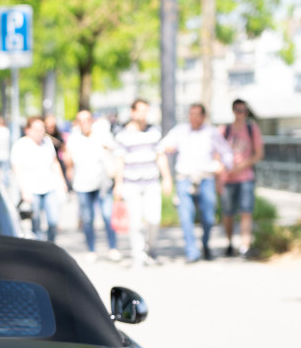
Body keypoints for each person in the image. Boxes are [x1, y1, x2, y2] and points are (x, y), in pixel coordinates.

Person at [159, 103, 233, 263]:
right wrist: (166, 177)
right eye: (191, 114)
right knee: (186, 217)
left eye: (197, 114)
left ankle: (205, 243)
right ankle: (192, 251)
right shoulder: (180, 131)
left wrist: (223, 166)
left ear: (203, 116)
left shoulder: (211, 133)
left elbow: (227, 152)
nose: (193, 117)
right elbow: (161, 148)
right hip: (184, 179)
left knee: (208, 217)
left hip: (205, 178)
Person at [113, 99, 172, 269]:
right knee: (135, 222)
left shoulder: (154, 132)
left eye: (146, 111)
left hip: (151, 182)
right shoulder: (123, 135)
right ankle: (137, 255)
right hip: (131, 183)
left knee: (154, 218)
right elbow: (120, 161)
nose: (144, 115)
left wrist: (167, 178)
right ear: (133, 112)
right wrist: (118, 184)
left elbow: (161, 156)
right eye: (140, 111)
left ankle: (150, 248)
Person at [65, 109, 120, 261]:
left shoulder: (101, 135)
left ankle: (113, 247)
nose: (85, 124)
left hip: (102, 183)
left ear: (92, 121)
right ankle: (91, 249)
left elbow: (114, 150)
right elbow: (69, 162)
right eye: (81, 121)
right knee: (88, 219)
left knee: (107, 216)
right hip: (82, 184)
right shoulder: (73, 138)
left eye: (87, 120)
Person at [220, 99, 264, 258]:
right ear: (233, 111)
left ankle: (245, 247)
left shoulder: (252, 129)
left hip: (246, 177)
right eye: (238, 110)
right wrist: (221, 173)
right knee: (228, 213)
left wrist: (241, 166)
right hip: (227, 178)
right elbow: (216, 153)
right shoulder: (224, 130)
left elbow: (259, 153)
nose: (241, 114)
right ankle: (229, 243)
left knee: (246, 211)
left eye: (244, 111)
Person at [12, 115, 66, 242]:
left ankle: (51, 245)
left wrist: (61, 181)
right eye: (37, 129)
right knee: (35, 224)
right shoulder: (21, 145)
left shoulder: (47, 142)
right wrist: (24, 190)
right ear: (28, 130)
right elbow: (17, 169)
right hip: (32, 189)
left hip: (49, 187)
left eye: (42, 128)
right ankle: (40, 248)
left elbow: (54, 162)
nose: (40, 132)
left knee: (53, 221)